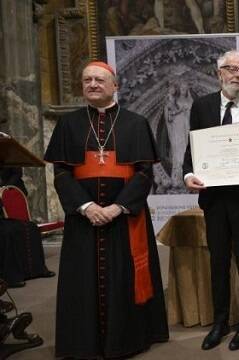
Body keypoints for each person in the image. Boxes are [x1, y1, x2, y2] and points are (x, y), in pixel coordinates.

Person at [44, 61, 169, 358]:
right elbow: (61, 172)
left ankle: (127, 340)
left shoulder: (135, 123)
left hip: (124, 219)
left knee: (125, 279)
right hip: (83, 219)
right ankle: (82, 342)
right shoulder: (68, 124)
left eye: (99, 79)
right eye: (87, 79)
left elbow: (143, 174)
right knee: (82, 282)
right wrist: (86, 207)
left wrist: (118, 207)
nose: (92, 84)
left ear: (115, 86)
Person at [182, 50, 239, 351]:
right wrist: (188, 175)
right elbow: (191, 149)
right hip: (215, 198)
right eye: (231, 69)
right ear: (219, 73)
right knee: (218, 260)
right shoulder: (202, 106)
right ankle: (221, 321)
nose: (237, 75)